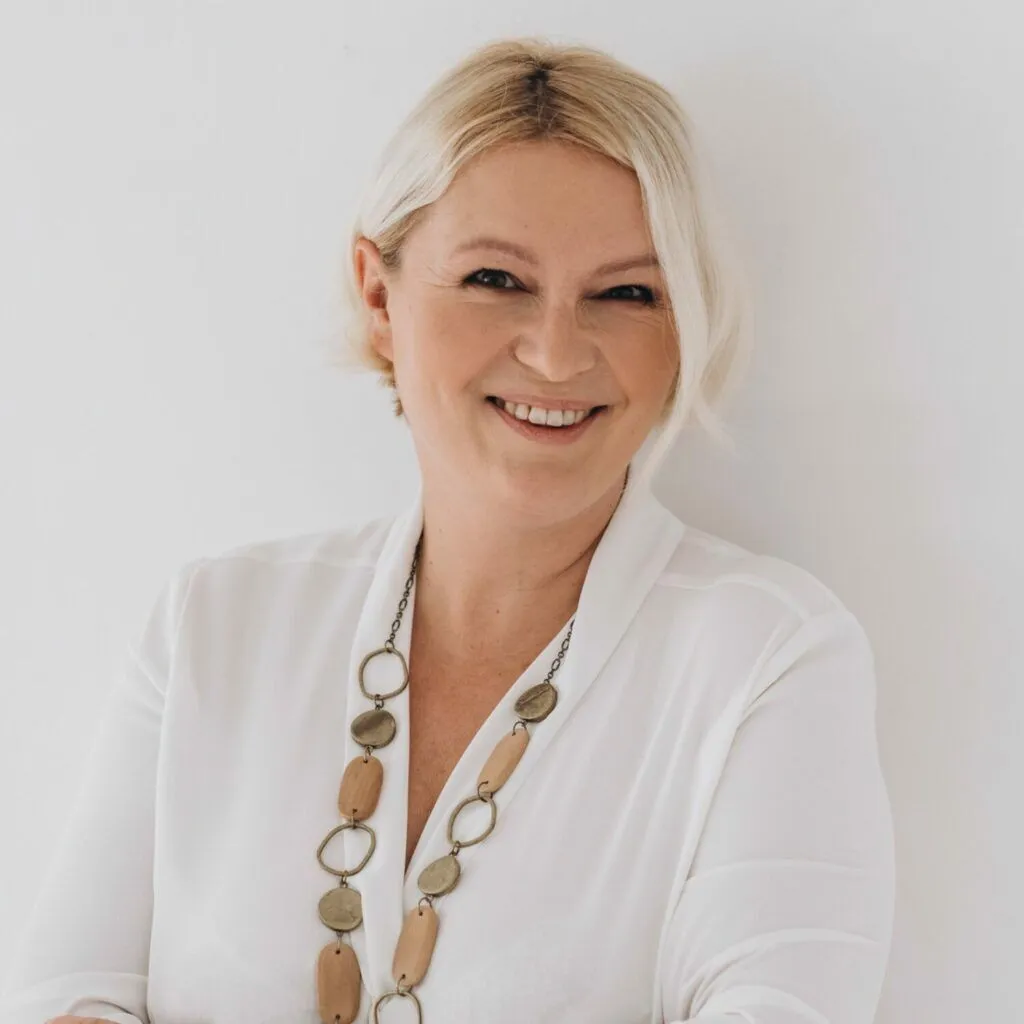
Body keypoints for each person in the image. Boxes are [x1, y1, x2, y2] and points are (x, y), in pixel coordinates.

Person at [0, 36, 895, 1024]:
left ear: (681, 326)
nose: (556, 353)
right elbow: (66, 997)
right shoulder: (214, 621)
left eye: (626, 293)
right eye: (495, 280)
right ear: (378, 295)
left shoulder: (767, 656)